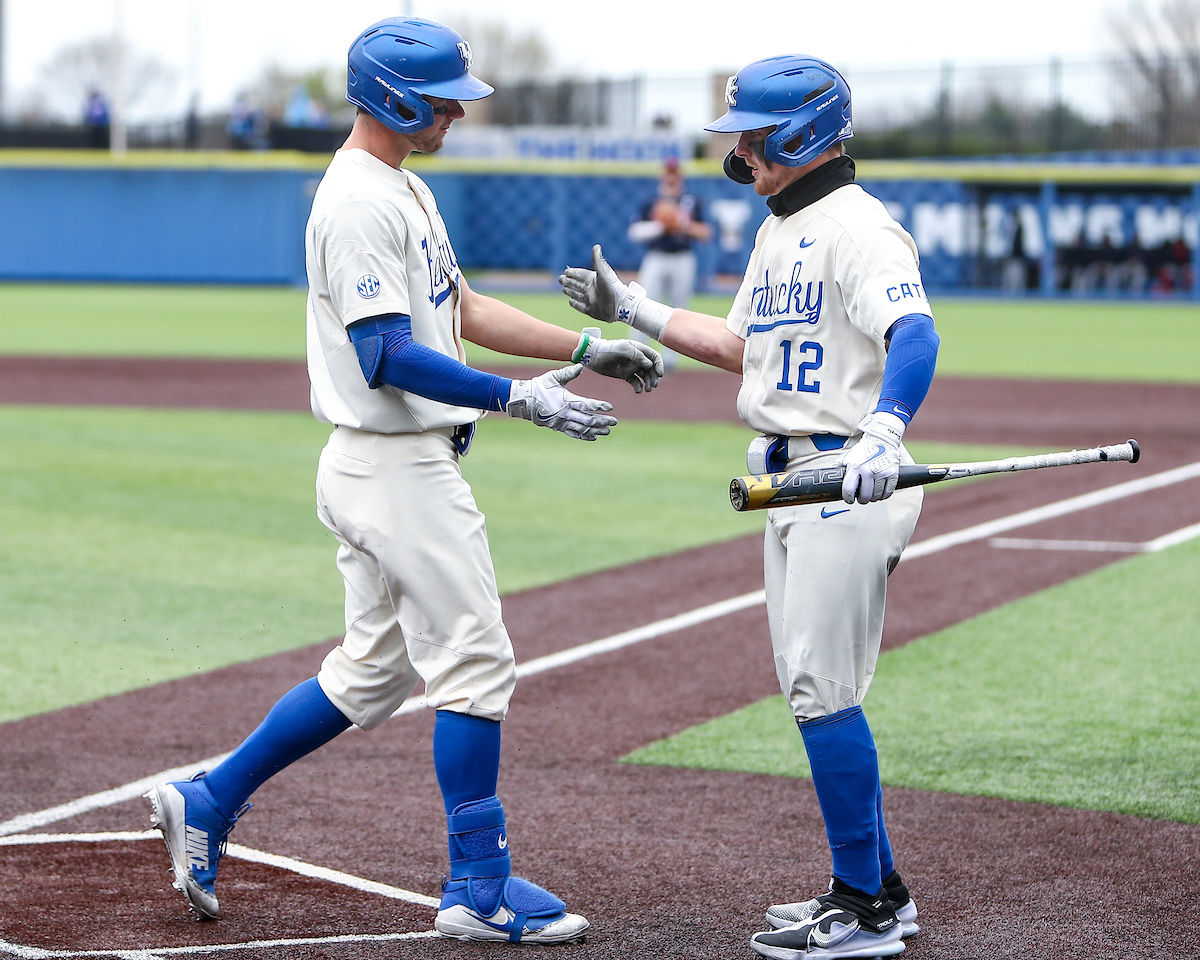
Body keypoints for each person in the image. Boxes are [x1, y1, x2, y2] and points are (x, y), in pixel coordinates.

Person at [144, 17, 662, 946]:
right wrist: (519, 401)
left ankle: (208, 797)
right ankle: (480, 886)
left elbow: (459, 311)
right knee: (476, 659)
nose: (458, 112)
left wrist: (590, 347)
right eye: (445, 99)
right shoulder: (354, 203)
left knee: (373, 673)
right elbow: (386, 357)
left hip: (383, 466)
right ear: (393, 98)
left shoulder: (404, 187)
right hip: (395, 467)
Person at [561, 55, 939, 960]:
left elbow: (914, 333)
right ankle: (882, 889)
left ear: (803, 135)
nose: (741, 152)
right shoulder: (782, 229)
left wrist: (885, 431)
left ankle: (863, 910)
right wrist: (637, 311)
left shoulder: (859, 227)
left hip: (845, 474)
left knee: (822, 692)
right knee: (815, 689)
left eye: (754, 136)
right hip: (787, 483)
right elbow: (742, 350)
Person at [626, 156, 712, 369]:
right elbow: (635, 232)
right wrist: (661, 226)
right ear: (663, 173)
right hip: (656, 256)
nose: (671, 175)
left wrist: (681, 223)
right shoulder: (651, 199)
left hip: (682, 257)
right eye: (668, 171)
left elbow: (705, 232)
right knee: (642, 305)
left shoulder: (691, 199)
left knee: (678, 310)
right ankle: (634, 354)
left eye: (674, 171)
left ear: (679, 174)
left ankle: (670, 361)